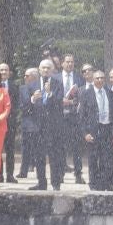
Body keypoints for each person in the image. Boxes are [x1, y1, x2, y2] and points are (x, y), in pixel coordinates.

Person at [26, 58, 64, 191]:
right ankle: (41, 183)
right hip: (37, 127)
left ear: (53, 70)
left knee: (54, 156)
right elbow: (26, 108)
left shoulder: (58, 84)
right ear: (39, 69)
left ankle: (55, 183)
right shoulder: (32, 85)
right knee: (39, 157)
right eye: (43, 68)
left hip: (53, 127)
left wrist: (49, 94)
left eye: (48, 68)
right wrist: (32, 99)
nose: (46, 70)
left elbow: (59, 103)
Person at [79, 68, 113, 191]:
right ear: (93, 79)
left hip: (106, 129)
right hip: (93, 130)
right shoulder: (86, 93)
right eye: (97, 78)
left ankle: (106, 184)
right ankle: (94, 184)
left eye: (102, 78)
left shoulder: (110, 93)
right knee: (93, 158)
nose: (100, 80)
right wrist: (85, 133)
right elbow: (81, 116)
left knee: (106, 159)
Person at [58, 55, 82, 184]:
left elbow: (83, 94)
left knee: (76, 146)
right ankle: (60, 174)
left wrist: (74, 101)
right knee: (61, 146)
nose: (70, 64)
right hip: (60, 117)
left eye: (72, 62)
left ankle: (78, 175)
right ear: (62, 63)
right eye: (67, 62)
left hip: (74, 117)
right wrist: (60, 100)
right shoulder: (55, 77)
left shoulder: (79, 78)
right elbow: (51, 95)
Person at [18, 64, 39, 177]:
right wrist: (32, 100)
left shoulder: (40, 87)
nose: (24, 78)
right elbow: (22, 106)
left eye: (27, 76)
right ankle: (23, 171)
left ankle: (39, 173)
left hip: (40, 123)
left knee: (38, 149)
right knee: (25, 148)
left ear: (34, 77)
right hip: (27, 122)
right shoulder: (22, 89)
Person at [0, 62, 18, 182]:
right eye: (1, 70)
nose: (4, 72)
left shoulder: (14, 86)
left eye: (6, 70)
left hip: (10, 123)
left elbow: (16, 104)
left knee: (10, 150)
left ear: (9, 72)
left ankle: (10, 175)